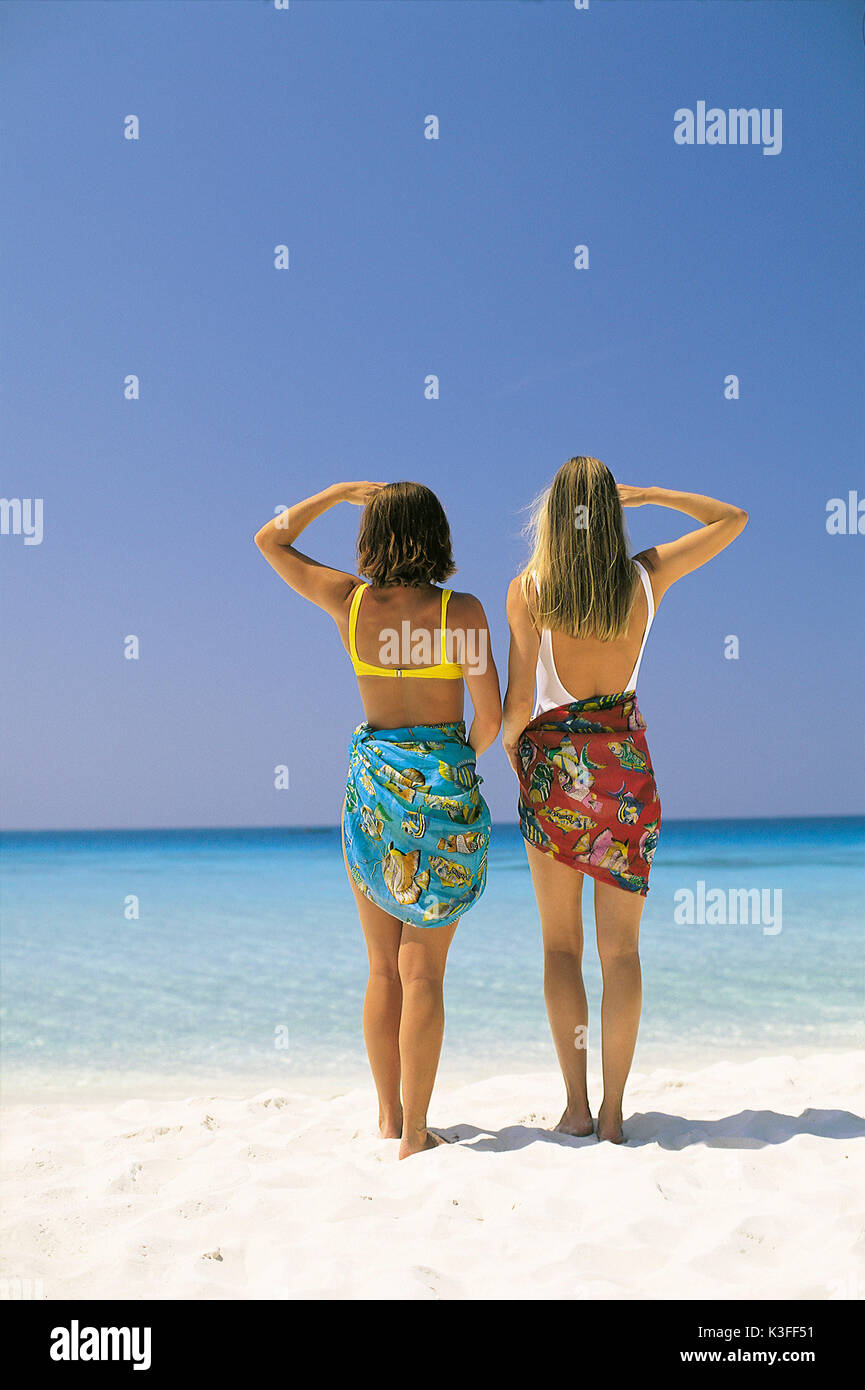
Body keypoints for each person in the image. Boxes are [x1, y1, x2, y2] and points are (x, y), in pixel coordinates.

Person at [502, 457, 747, 1142]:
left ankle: (576, 1107)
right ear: (612, 513)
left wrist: (513, 757)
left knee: (560, 950)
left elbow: (519, 703)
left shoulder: (528, 591)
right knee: (622, 956)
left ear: (552, 514)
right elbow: (731, 519)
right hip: (625, 780)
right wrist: (656, 495)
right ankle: (613, 1116)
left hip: (554, 775)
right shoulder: (643, 579)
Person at [255, 480, 501, 1158]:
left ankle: (391, 1119)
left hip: (372, 793)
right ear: (439, 535)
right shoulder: (463, 611)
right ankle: (416, 1135)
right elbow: (489, 718)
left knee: (382, 969)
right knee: (423, 970)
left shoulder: (348, 601)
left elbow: (269, 539)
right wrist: (449, 766)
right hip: (440, 792)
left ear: (370, 536)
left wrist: (334, 494)